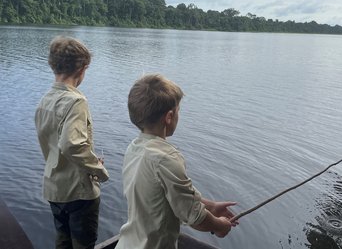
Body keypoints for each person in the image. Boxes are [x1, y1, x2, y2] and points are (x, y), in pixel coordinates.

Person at [115, 74, 237, 249]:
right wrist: (220, 226)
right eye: (179, 111)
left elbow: (175, 195)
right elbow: (195, 217)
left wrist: (212, 207)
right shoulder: (166, 159)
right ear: (169, 116)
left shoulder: (134, 148)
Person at [35, 36, 109, 249]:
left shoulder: (45, 100)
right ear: (82, 69)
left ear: (53, 65)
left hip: (54, 188)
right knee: (83, 245)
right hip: (79, 192)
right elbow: (71, 144)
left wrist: (90, 157)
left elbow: (56, 145)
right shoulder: (76, 101)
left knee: (63, 242)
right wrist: (98, 170)